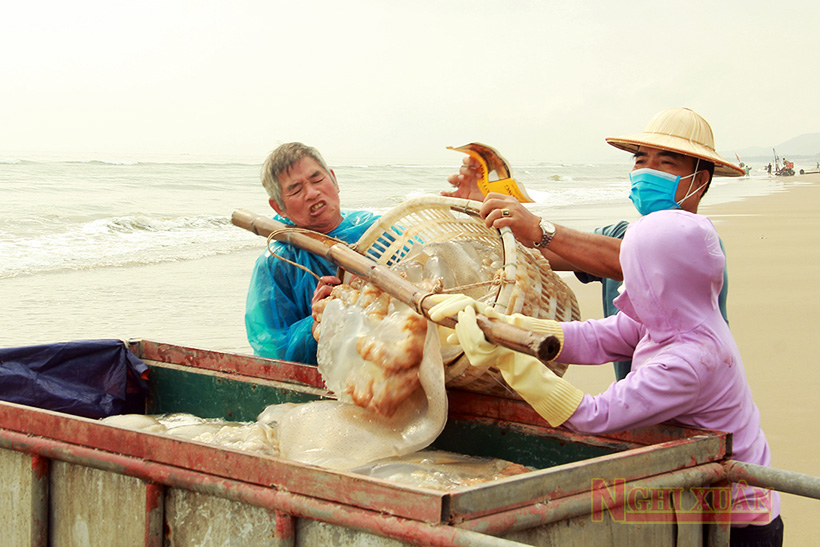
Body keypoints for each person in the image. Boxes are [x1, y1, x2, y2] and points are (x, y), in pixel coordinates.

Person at [430, 210, 783, 544]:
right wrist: (502, 324)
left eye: (633, 274)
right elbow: (595, 338)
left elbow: (593, 416)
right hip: (701, 497)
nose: (623, 287)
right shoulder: (675, 316)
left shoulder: (690, 360)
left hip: (736, 518)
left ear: (659, 282)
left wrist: (510, 359)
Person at [444, 107, 744, 380]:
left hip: (693, 384)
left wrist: (538, 227)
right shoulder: (617, 234)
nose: (647, 171)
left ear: (699, 181)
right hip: (639, 391)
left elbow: (629, 260)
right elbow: (542, 252)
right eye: (641, 160)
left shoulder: (699, 243)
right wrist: (481, 212)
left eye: (665, 162)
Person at [245, 142, 379, 364]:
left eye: (317, 180)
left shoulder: (376, 230)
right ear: (279, 207)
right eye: (296, 190)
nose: (312, 193)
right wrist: (317, 323)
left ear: (334, 180)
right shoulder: (275, 264)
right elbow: (272, 351)